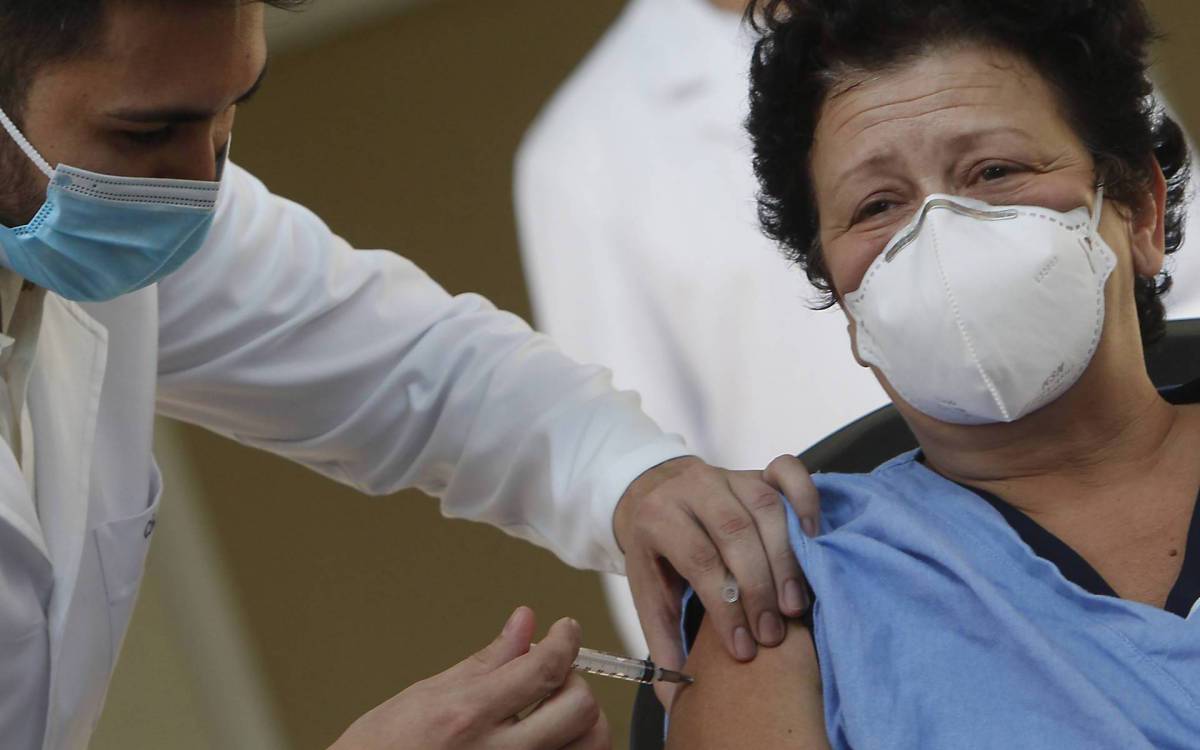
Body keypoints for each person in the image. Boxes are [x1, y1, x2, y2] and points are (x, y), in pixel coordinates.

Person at [0, 2, 820, 748]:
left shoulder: (130, 208)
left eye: (228, 116)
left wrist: (637, 478)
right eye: (145, 135)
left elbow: (419, 368)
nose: (202, 190)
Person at [514, 0, 1200, 656]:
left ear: (1140, 210)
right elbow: (658, 486)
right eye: (876, 205)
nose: (942, 238)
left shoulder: (1033, 37)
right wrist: (733, 636)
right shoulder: (583, 153)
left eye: (995, 171)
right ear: (840, 301)